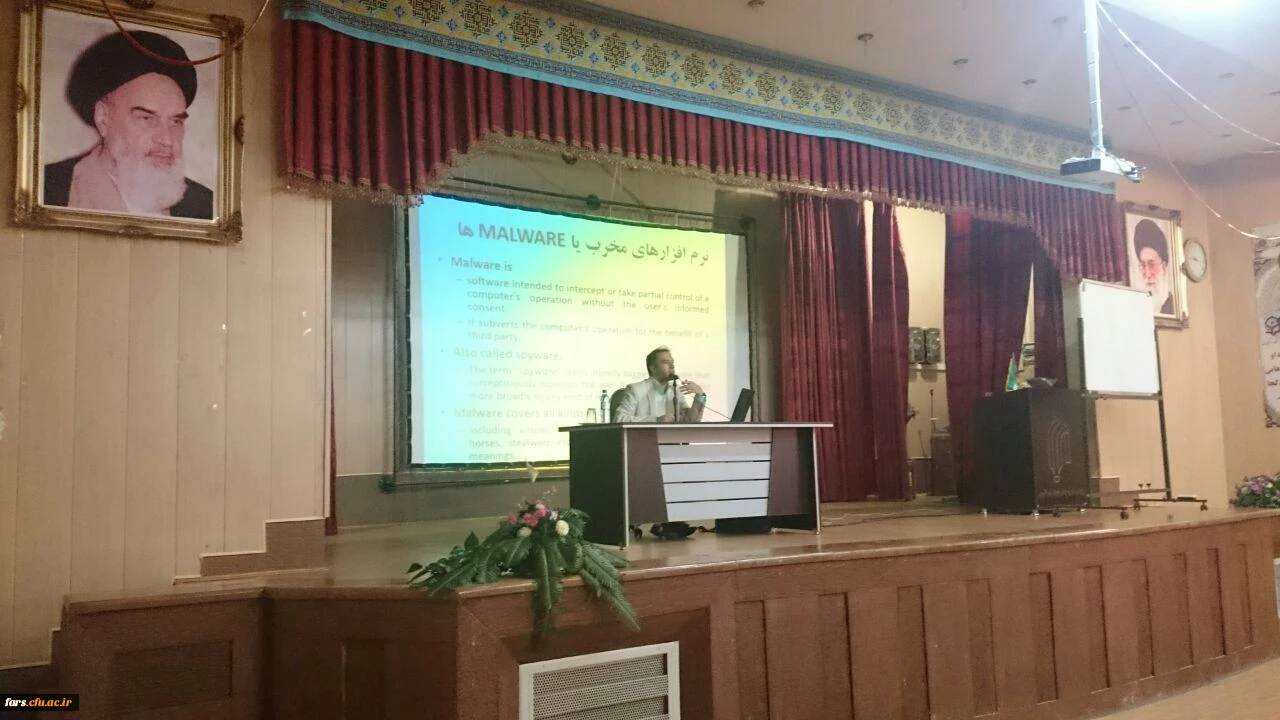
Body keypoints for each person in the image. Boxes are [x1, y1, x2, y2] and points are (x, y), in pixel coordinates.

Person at [43, 31, 213, 220]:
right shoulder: (47, 189)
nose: (167, 139)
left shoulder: (205, 207)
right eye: (147, 119)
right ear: (103, 118)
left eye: (176, 121)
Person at [613, 346, 706, 423]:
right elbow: (619, 419)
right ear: (653, 368)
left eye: (672, 362)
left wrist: (700, 396)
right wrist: (656, 420)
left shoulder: (676, 390)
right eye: (666, 362)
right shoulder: (636, 389)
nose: (672, 366)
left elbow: (688, 421)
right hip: (644, 438)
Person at [1132, 219, 1174, 315]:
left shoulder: (1173, 307)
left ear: (1164, 267)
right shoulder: (1138, 310)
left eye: (1152, 265)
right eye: (1143, 265)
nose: (1147, 274)